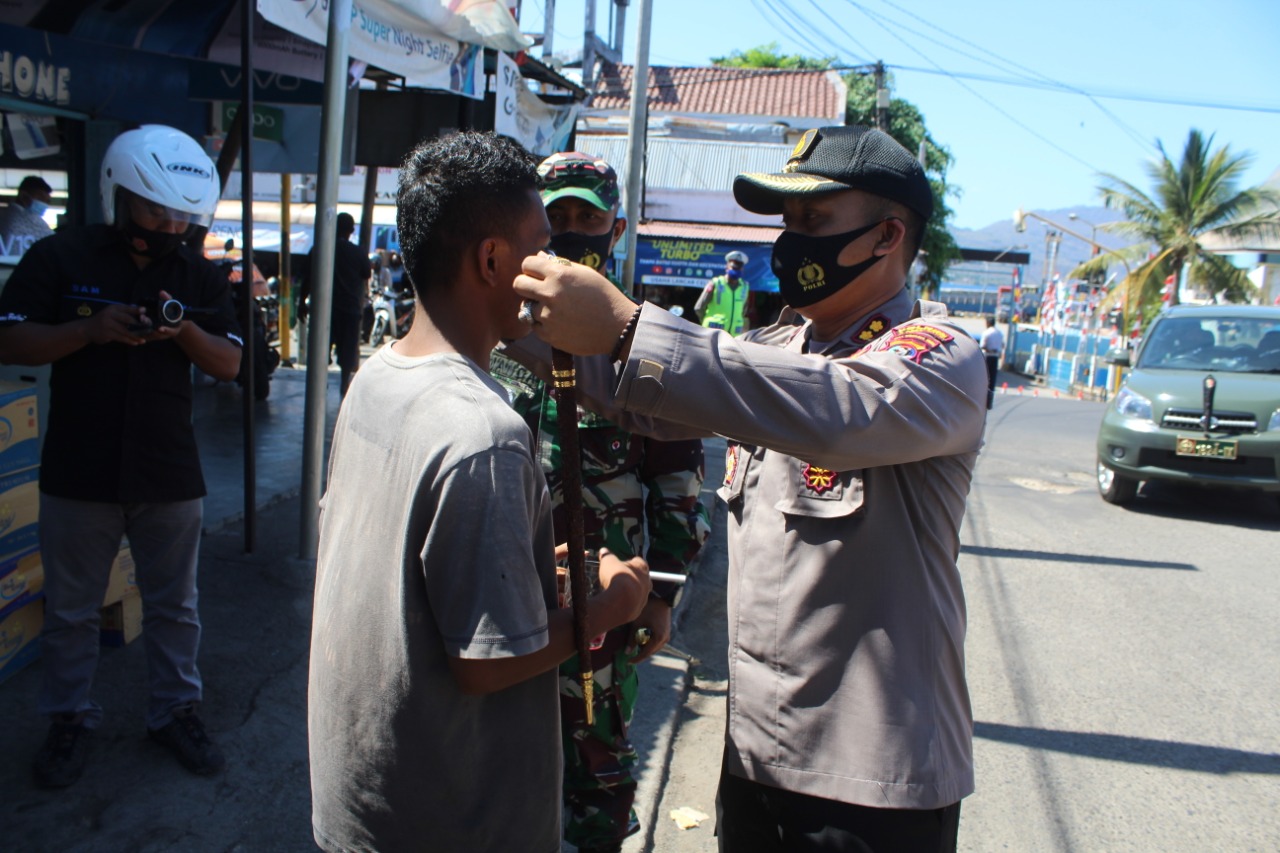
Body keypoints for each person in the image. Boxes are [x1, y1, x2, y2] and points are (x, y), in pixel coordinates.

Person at [510, 125, 988, 852]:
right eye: (788, 222)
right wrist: (492, 304)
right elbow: (634, 391)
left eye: (814, 222)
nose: (791, 242)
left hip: (871, 785)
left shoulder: (939, 357)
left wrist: (631, 328)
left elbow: (837, 410)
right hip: (757, 760)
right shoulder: (775, 350)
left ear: (888, 235)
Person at [307, 130, 652, 853]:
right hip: (457, 822)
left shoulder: (377, 377)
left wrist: (533, 568)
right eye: (540, 244)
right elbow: (486, 661)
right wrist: (614, 605)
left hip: (366, 804)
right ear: (492, 260)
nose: (553, 263)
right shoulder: (484, 431)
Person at [0, 125, 242, 788]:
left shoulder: (199, 274)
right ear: (119, 194)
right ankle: (69, 719)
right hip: (78, 466)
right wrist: (90, 329)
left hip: (169, 470)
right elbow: (10, 342)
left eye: (178, 214)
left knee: (175, 604)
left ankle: (174, 713)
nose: (165, 224)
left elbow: (231, 364)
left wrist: (182, 328)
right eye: (152, 209)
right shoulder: (60, 255)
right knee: (72, 608)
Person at [490, 150, 710, 853]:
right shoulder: (495, 335)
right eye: (558, 218)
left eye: (589, 217)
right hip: (501, 591)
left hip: (600, 603)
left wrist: (662, 597)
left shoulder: (643, 345)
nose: (574, 231)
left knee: (598, 760)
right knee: (499, 759)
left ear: (616, 231)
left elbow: (677, 488)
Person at [302, 211, 369, 395]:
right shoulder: (357, 253)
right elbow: (366, 273)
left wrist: (301, 303)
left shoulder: (319, 249)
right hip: (349, 310)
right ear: (351, 231)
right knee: (347, 350)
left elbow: (307, 279)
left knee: (321, 347)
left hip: (325, 310)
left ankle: (320, 379)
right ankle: (343, 381)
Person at [695, 250, 752, 334]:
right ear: (727, 267)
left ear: (742, 269)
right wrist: (707, 320)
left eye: (738, 268)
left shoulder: (744, 287)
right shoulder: (716, 283)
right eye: (733, 268)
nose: (736, 271)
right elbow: (699, 308)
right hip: (713, 334)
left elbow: (743, 310)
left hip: (734, 335)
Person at [0, 175, 55, 257]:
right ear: (23, 196)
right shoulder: (22, 219)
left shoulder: (4, 215)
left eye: (47, 201)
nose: (44, 204)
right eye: (40, 198)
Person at [980, 314, 1004, 409]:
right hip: (995, 357)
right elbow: (1002, 345)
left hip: (987, 356)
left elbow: (982, 345)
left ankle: (983, 400)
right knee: (992, 380)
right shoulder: (999, 333)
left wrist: (989, 349)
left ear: (988, 323)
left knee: (985, 378)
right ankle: (990, 402)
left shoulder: (987, 333)